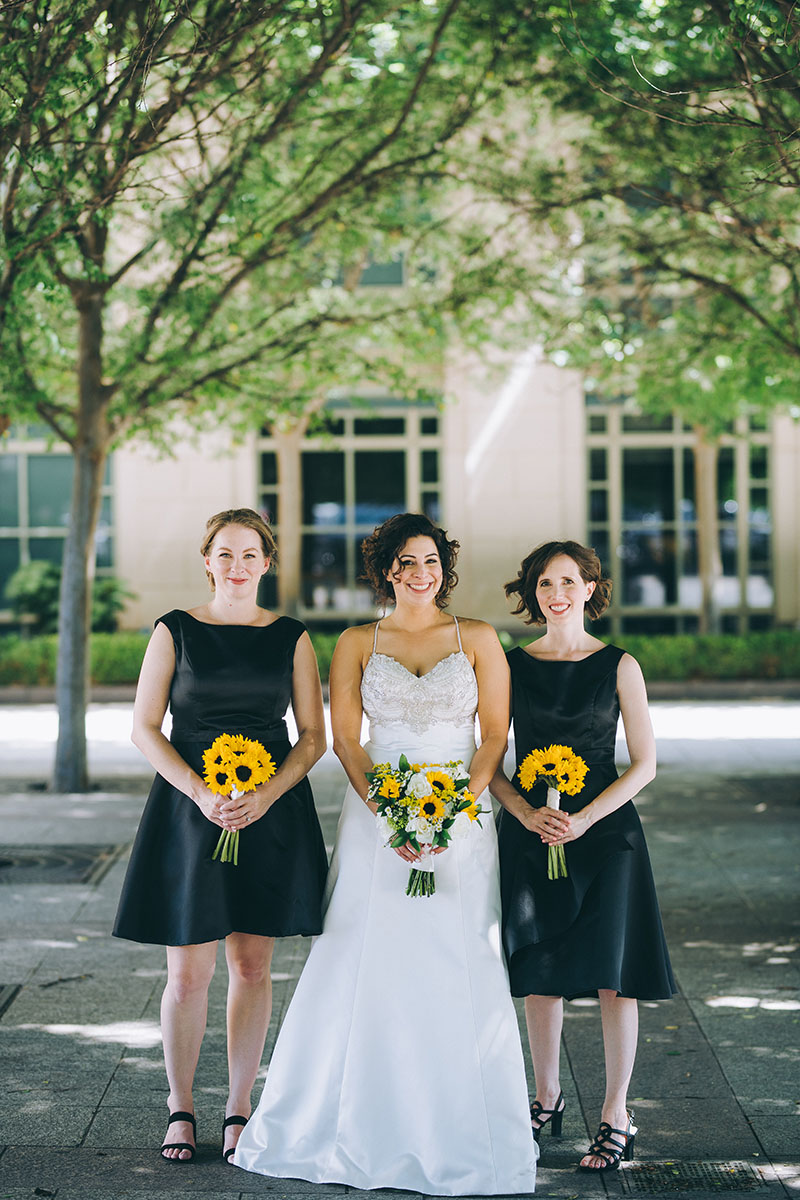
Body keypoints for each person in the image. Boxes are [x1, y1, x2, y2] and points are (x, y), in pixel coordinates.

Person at [234, 512, 537, 1195]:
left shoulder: (481, 638)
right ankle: (342, 1125)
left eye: (429, 561)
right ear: (385, 571)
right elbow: (346, 740)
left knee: (461, 955)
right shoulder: (355, 642)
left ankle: (462, 1126)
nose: (419, 574)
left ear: (444, 567)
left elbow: (493, 738)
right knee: (363, 953)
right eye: (405, 563)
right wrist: (392, 817)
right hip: (379, 816)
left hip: (463, 815)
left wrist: (456, 807)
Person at [113, 508, 328, 1165]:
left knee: (252, 965)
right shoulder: (174, 630)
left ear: (268, 564)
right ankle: (181, 1108)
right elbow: (145, 727)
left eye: (250, 555)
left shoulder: (291, 635)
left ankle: (240, 1108)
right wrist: (200, 792)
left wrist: (266, 794)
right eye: (225, 555)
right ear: (207, 560)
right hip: (189, 810)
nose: (237, 566)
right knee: (188, 971)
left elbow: (314, 736)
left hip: (269, 812)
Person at [491, 540, 675, 1173]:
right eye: (545, 583)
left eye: (569, 581)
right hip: (532, 830)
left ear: (592, 588)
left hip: (606, 836)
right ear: (532, 593)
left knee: (612, 976)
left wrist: (585, 818)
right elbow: (487, 764)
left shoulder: (619, 665)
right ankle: (546, 1101)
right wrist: (526, 814)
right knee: (541, 968)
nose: (557, 593)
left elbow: (645, 764)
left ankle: (616, 1113)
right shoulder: (511, 666)